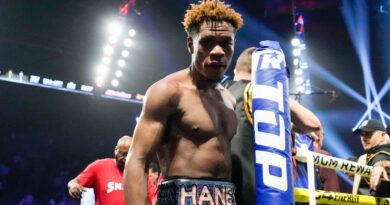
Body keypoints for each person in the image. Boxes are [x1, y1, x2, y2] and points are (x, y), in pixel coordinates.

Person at [123, 1, 244, 204]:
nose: (217, 51)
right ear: (191, 44)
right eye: (207, 42)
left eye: (225, 43)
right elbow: (137, 160)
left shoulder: (229, 99)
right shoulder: (168, 91)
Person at [224, 47, 321, 204]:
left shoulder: (221, 91)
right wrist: (272, 88)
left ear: (236, 68)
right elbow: (313, 124)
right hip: (256, 193)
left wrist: (290, 126)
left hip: (220, 189)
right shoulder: (260, 93)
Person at [68, 135, 132, 205]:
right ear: (116, 150)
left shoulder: (141, 172)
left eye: (128, 155)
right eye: (122, 154)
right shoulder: (99, 166)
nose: (125, 158)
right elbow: (73, 182)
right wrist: (73, 186)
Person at [352, 119, 390, 197]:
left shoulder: (385, 152)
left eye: (368, 134)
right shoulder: (366, 156)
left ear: (382, 135)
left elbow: (382, 157)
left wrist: (380, 165)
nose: (363, 138)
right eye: (361, 134)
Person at [310, 127, 340, 192]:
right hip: (314, 201)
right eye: (322, 135)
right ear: (318, 138)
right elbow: (332, 192)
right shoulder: (323, 156)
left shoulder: (291, 153)